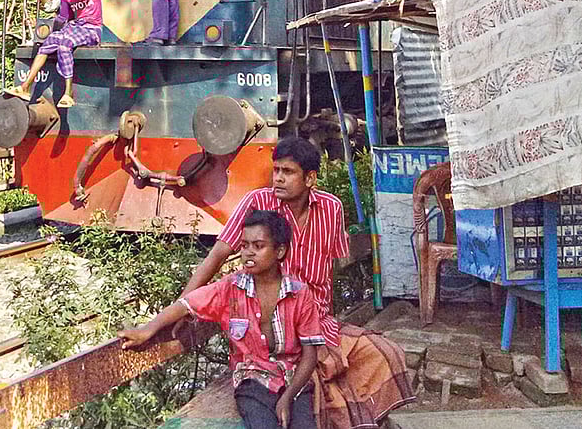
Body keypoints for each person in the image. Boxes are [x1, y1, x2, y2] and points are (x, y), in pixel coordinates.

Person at [177, 137, 414, 429]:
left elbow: (331, 267)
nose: (278, 178)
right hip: (272, 327)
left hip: (317, 321)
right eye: (276, 170)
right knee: (317, 386)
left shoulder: (331, 208)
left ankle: (367, 418)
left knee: (384, 353)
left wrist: (318, 317)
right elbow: (217, 254)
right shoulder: (257, 203)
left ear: (310, 178)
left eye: (287, 172)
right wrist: (183, 305)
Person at [119, 210, 323, 429]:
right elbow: (186, 304)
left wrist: (288, 397)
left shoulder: (299, 294)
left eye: (258, 246)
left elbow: (309, 355)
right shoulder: (230, 288)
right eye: (244, 246)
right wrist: (148, 329)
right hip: (253, 379)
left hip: (293, 380)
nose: (249, 253)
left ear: (279, 251)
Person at [4, 0, 103, 108]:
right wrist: (42, 26)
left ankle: (68, 93)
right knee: (48, 42)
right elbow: (62, 17)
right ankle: (25, 87)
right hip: (75, 28)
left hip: (91, 29)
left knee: (65, 43)